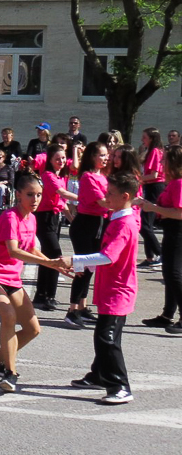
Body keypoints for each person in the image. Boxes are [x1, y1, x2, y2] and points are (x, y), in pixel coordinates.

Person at [0, 174, 62, 392]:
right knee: (8, 315)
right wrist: (49, 263)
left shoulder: (31, 218)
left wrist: (53, 264)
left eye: (39, 195)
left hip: (12, 278)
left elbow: (32, 248)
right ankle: (10, 373)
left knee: (33, 329)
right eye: (30, 194)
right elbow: (14, 250)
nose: (35, 199)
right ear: (19, 195)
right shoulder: (9, 218)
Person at [64, 172, 140, 404]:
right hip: (111, 288)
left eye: (110, 194)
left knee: (106, 338)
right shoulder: (117, 218)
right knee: (106, 336)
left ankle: (120, 385)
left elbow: (108, 256)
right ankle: (98, 375)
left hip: (119, 291)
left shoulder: (123, 224)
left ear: (125, 196)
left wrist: (76, 260)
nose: (106, 197)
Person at [137, 145, 182, 333]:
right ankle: (167, 314)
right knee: (169, 272)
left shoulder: (179, 183)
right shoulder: (173, 182)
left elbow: (179, 212)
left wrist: (154, 208)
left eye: (164, 160)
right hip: (172, 230)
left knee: (173, 273)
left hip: (178, 230)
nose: (161, 163)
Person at [65, 142, 110, 329]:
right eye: (101, 155)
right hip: (84, 224)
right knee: (82, 268)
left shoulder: (103, 175)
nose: (106, 158)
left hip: (97, 224)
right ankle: (71, 311)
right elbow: (103, 201)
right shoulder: (88, 177)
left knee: (91, 267)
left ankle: (82, 307)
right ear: (92, 156)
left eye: (107, 155)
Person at [32, 145, 77, 312]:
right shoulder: (48, 175)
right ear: (50, 160)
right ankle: (48, 295)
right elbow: (63, 194)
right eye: (57, 159)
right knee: (55, 255)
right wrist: (86, 198)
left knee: (48, 257)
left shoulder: (60, 176)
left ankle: (42, 295)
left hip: (54, 217)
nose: (61, 161)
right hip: (44, 218)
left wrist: (72, 219)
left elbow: (62, 202)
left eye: (63, 158)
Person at [139, 128, 166, 268]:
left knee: (144, 225)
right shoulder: (150, 151)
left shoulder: (155, 151)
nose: (142, 139)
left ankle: (160, 254)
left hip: (155, 188)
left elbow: (154, 175)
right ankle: (150, 257)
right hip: (150, 188)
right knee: (145, 225)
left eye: (145, 137)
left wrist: (137, 179)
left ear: (151, 138)